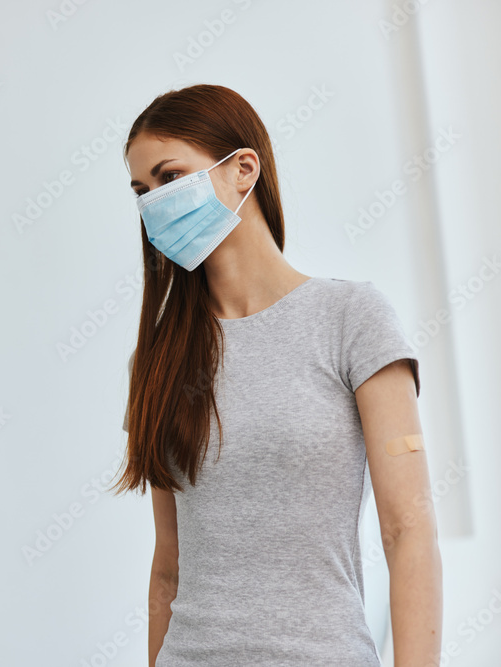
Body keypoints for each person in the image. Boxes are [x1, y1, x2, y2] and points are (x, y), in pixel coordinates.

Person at [111, 84, 442, 666]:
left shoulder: (351, 319)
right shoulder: (158, 360)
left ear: (243, 169)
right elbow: (168, 569)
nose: (152, 205)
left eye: (169, 177)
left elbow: (408, 533)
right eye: (141, 191)